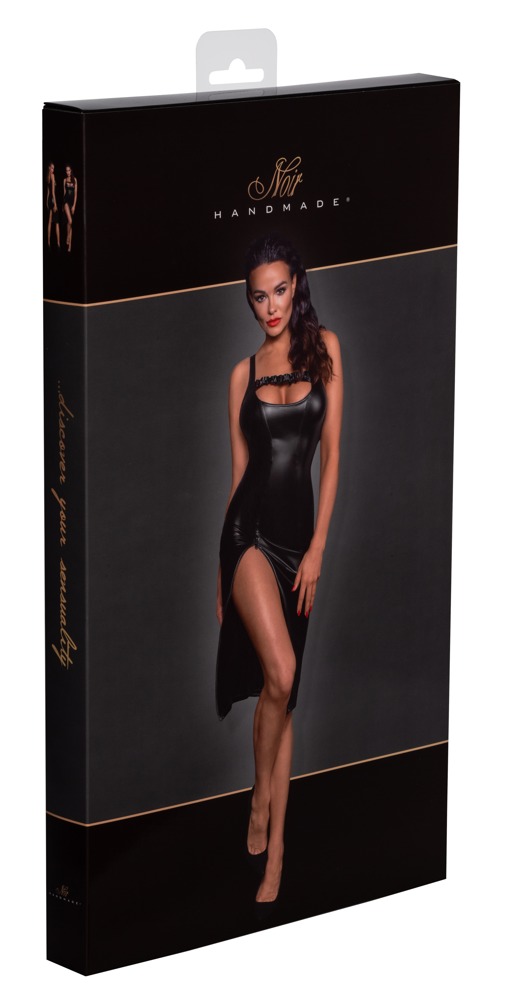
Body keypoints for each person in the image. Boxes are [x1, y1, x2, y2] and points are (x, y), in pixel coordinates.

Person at [215, 232, 343, 914]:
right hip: (248, 538)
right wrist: (221, 578)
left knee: (282, 696)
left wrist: (319, 548)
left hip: (300, 545)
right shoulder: (242, 374)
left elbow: (333, 457)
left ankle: (279, 850)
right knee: (283, 673)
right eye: (258, 296)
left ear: (297, 285)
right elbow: (239, 475)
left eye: (280, 291)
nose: (270, 307)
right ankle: (259, 798)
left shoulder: (327, 352)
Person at [62, 165, 78, 251]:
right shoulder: (64, 180)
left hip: (72, 204)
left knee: (70, 223)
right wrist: (63, 205)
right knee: (70, 221)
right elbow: (64, 193)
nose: (67, 172)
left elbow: (75, 194)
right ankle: (67, 236)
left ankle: (70, 246)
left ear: (71, 171)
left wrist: (74, 205)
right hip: (66, 202)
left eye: (69, 170)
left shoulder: (74, 180)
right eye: (66, 171)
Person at [46, 163, 60, 249]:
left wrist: (46, 202)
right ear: (49, 168)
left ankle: (48, 242)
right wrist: (55, 204)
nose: (53, 170)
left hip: (49, 200)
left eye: (53, 168)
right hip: (52, 199)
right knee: (57, 222)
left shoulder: (47, 177)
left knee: (49, 222)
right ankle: (58, 243)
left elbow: (48, 191)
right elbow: (53, 192)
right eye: (51, 168)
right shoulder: (52, 176)